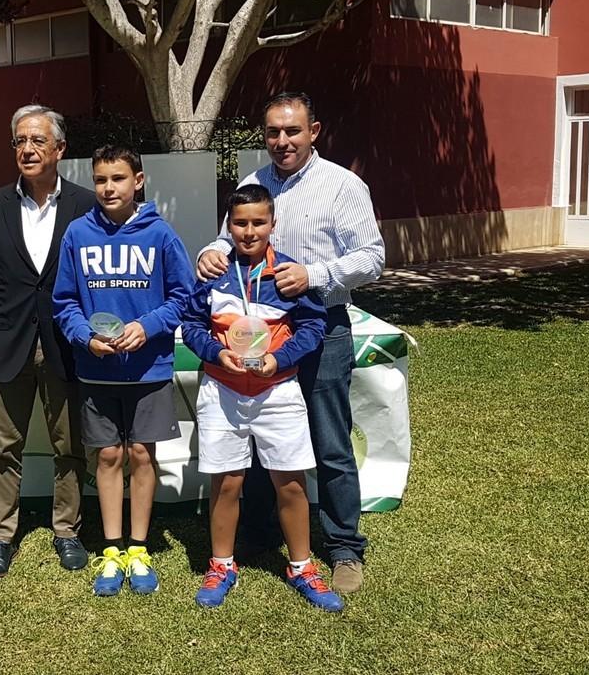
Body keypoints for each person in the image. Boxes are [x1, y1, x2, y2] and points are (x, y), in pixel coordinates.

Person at [197, 92, 385, 593]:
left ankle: (344, 547)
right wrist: (211, 254)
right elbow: (228, 236)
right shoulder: (252, 183)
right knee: (261, 439)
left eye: (293, 131)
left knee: (329, 443)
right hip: (255, 330)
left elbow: (373, 257)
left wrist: (316, 273)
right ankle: (260, 534)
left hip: (318, 325)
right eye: (274, 133)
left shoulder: (343, 185)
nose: (282, 141)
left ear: (314, 131)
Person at [182, 184, 341, 611]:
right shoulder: (212, 273)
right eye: (240, 222)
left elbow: (311, 327)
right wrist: (216, 353)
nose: (249, 231)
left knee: (289, 481)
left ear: (273, 223)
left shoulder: (289, 274)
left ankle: (302, 566)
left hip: (277, 389)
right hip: (223, 388)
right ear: (228, 225)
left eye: (258, 222)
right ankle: (221, 565)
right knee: (227, 481)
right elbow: (192, 323)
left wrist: (279, 359)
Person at [52, 144, 194, 597]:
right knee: (109, 456)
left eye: (117, 178)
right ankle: (111, 550)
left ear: (139, 181)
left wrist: (147, 326)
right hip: (96, 371)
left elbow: (183, 297)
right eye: (100, 179)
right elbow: (65, 301)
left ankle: (139, 547)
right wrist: (82, 336)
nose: (108, 188)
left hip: (148, 369)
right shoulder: (77, 233)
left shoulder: (161, 235)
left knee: (141, 455)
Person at [0, 104, 97, 581]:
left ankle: (68, 531)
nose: (27, 149)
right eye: (20, 141)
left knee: (70, 445)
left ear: (60, 149)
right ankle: (1, 538)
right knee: (4, 446)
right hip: (6, 343)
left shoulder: (85, 204)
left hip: (66, 344)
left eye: (38, 140)